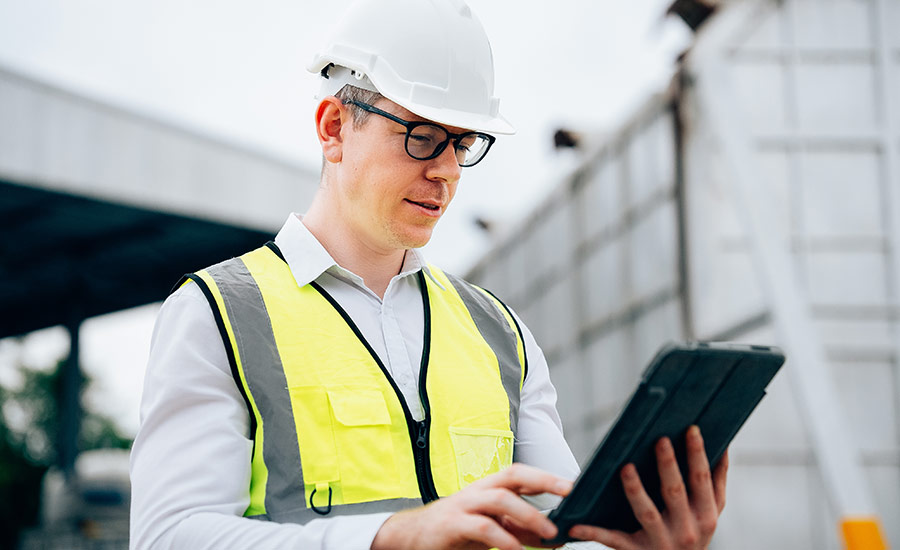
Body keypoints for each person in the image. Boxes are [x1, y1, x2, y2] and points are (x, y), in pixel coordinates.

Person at [129, 0, 728, 549]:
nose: (445, 171)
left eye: (462, 143)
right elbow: (170, 536)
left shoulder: (500, 333)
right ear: (335, 127)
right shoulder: (218, 315)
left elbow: (562, 532)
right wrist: (394, 538)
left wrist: (638, 545)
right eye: (420, 137)